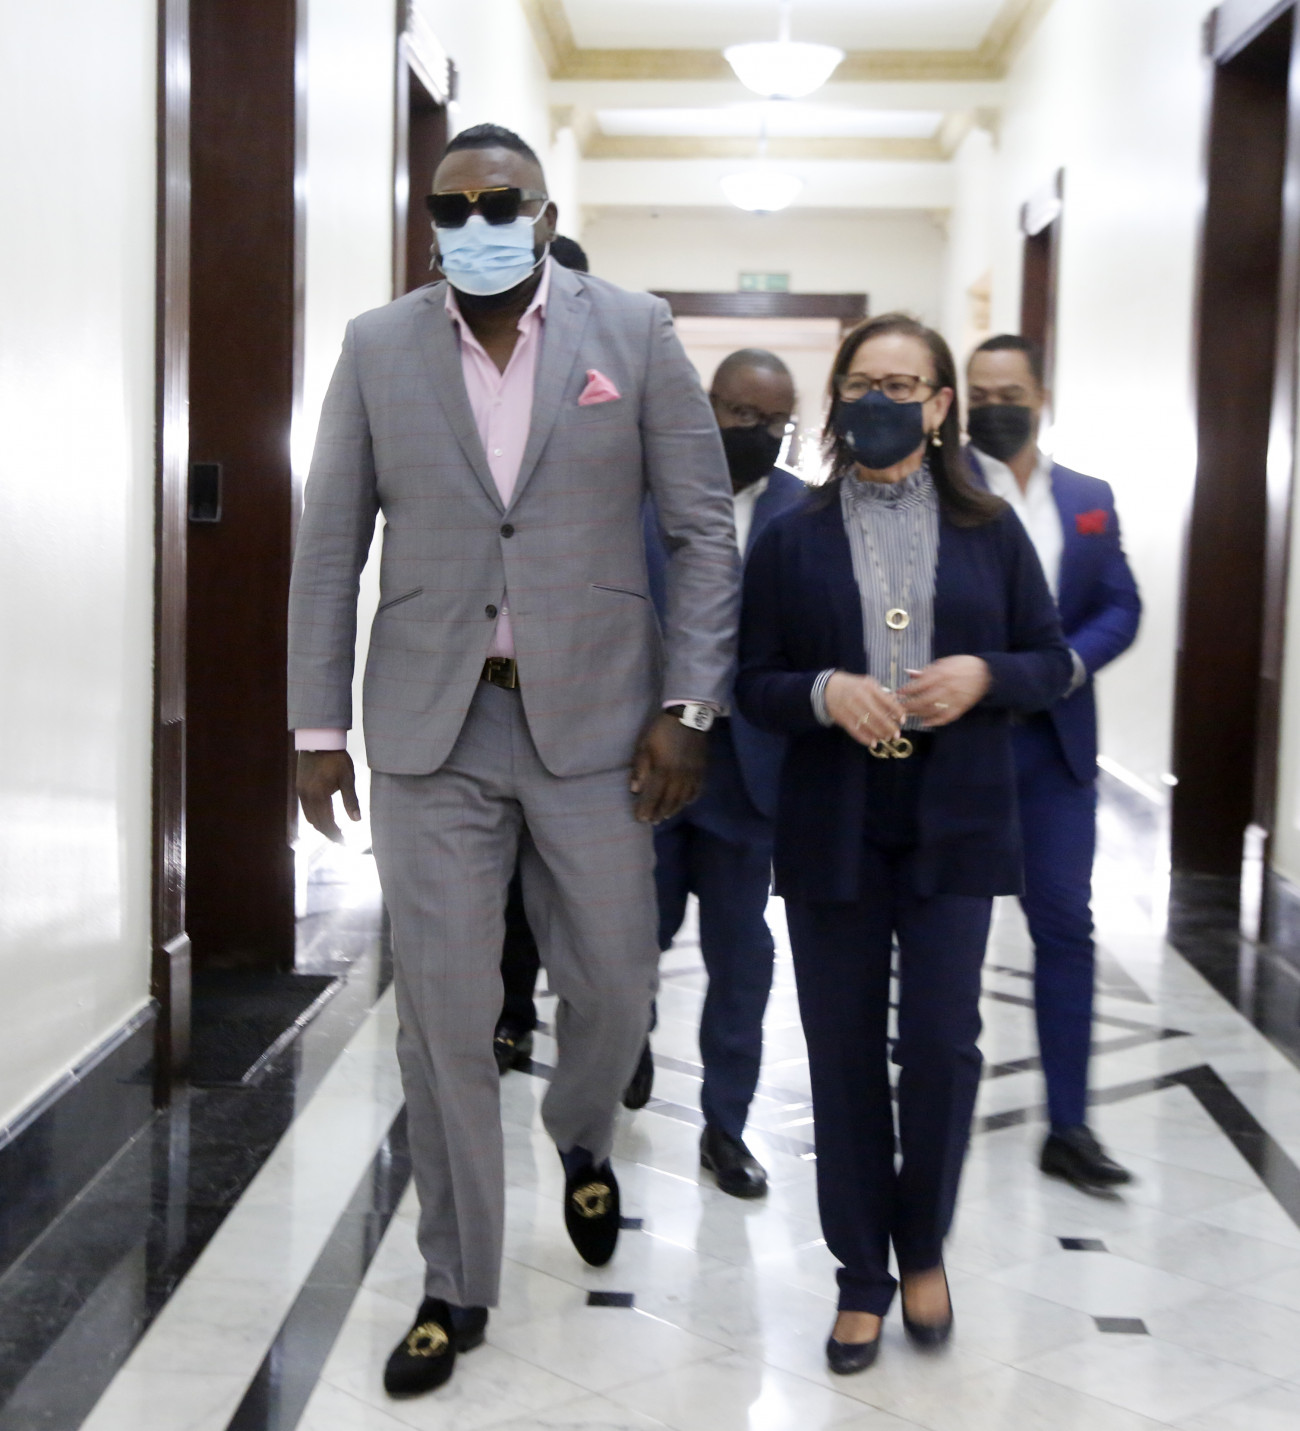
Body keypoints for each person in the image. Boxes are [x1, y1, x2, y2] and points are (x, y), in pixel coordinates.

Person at [288, 125, 738, 1396]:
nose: (477, 221)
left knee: (615, 985)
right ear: (429, 220)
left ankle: (582, 1134)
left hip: (600, 722)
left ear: (544, 215)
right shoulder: (377, 346)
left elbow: (703, 532)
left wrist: (690, 708)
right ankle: (455, 1281)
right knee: (441, 1017)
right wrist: (317, 731)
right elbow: (330, 546)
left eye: (503, 202)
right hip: (432, 726)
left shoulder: (633, 331)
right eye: (454, 205)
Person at [736, 313, 1071, 1374]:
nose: (879, 401)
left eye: (902, 385)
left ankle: (921, 1246)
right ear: (836, 399)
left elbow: (1051, 660)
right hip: (833, 817)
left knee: (939, 1044)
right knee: (839, 1051)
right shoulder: (790, 534)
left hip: (955, 813)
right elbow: (753, 682)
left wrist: (984, 674)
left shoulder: (991, 529)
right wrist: (823, 691)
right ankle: (859, 1276)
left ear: (939, 405)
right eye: (861, 383)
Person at [966, 334, 1142, 1192]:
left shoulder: (1088, 497)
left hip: (1056, 748)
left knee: (1066, 926)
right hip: (961, 743)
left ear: (1041, 396)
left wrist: (1067, 665)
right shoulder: (938, 487)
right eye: (980, 393)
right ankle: (930, 1111)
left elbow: (1120, 603)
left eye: (1010, 393)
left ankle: (1069, 1125)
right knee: (946, 934)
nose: (994, 406)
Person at [642, 348, 808, 1197]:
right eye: (742, 414)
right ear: (708, 407)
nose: (757, 432)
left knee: (741, 956)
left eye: (774, 422)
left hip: (750, 774)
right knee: (633, 935)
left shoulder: (806, 511)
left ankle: (727, 1124)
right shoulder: (645, 493)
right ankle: (625, 1042)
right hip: (650, 762)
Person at [491, 233, 590, 1080]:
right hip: (489, 699)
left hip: (594, 704)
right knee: (509, 891)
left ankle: (615, 1035)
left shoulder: (617, 407)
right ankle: (512, 1017)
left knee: (590, 898)